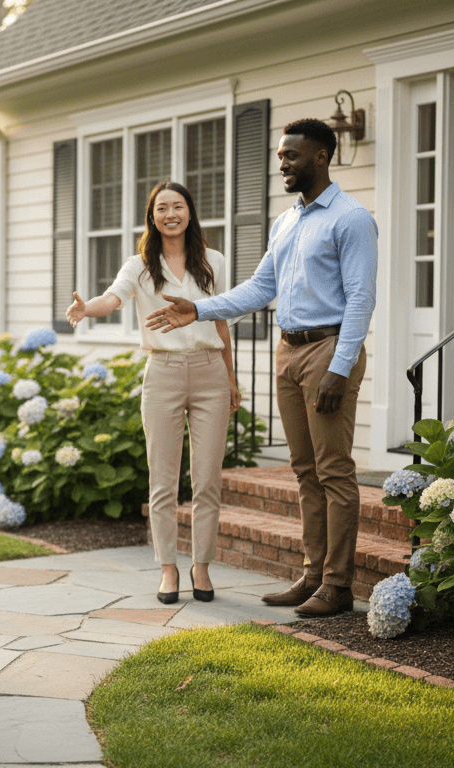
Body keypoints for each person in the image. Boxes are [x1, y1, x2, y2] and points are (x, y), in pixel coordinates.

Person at [145, 118, 377, 618]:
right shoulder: (287, 221)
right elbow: (259, 287)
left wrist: (339, 368)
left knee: (333, 470)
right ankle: (313, 574)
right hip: (288, 351)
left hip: (328, 349)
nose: (282, 163)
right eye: (279, 155)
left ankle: (337, 585)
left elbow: (360, 300)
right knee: (303, 470)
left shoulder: (351, 218)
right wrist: (199, 308)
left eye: (291, 155)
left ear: (320, 156)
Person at [66, 181, 240, 605]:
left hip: (210, 373)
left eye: (178, 206)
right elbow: (114, 298)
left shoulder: (212, 261)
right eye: (162, 208)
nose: (170, 214)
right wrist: (87, 308)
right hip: (162, 373)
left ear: (189, 212)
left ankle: (201, 566)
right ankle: (168, 569)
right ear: (153, 216)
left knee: (207, 480)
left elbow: (221, 322)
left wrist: (231, 379)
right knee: (162, 480)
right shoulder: (140, 264)